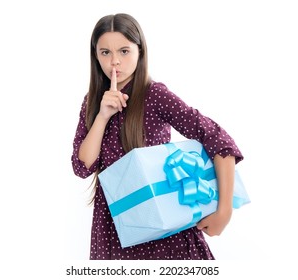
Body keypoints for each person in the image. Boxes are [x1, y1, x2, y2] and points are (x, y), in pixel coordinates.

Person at [71, 13, 243, 260]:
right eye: (105, 52)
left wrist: (224, 211)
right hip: (114, 227)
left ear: (139, 51)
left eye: (124, 51)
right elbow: (82, 166)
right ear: (95, 55)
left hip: (162, 227)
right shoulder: (92, 103)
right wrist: (102, 115)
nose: (114, 62)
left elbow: (218, 139)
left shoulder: (154, 95)